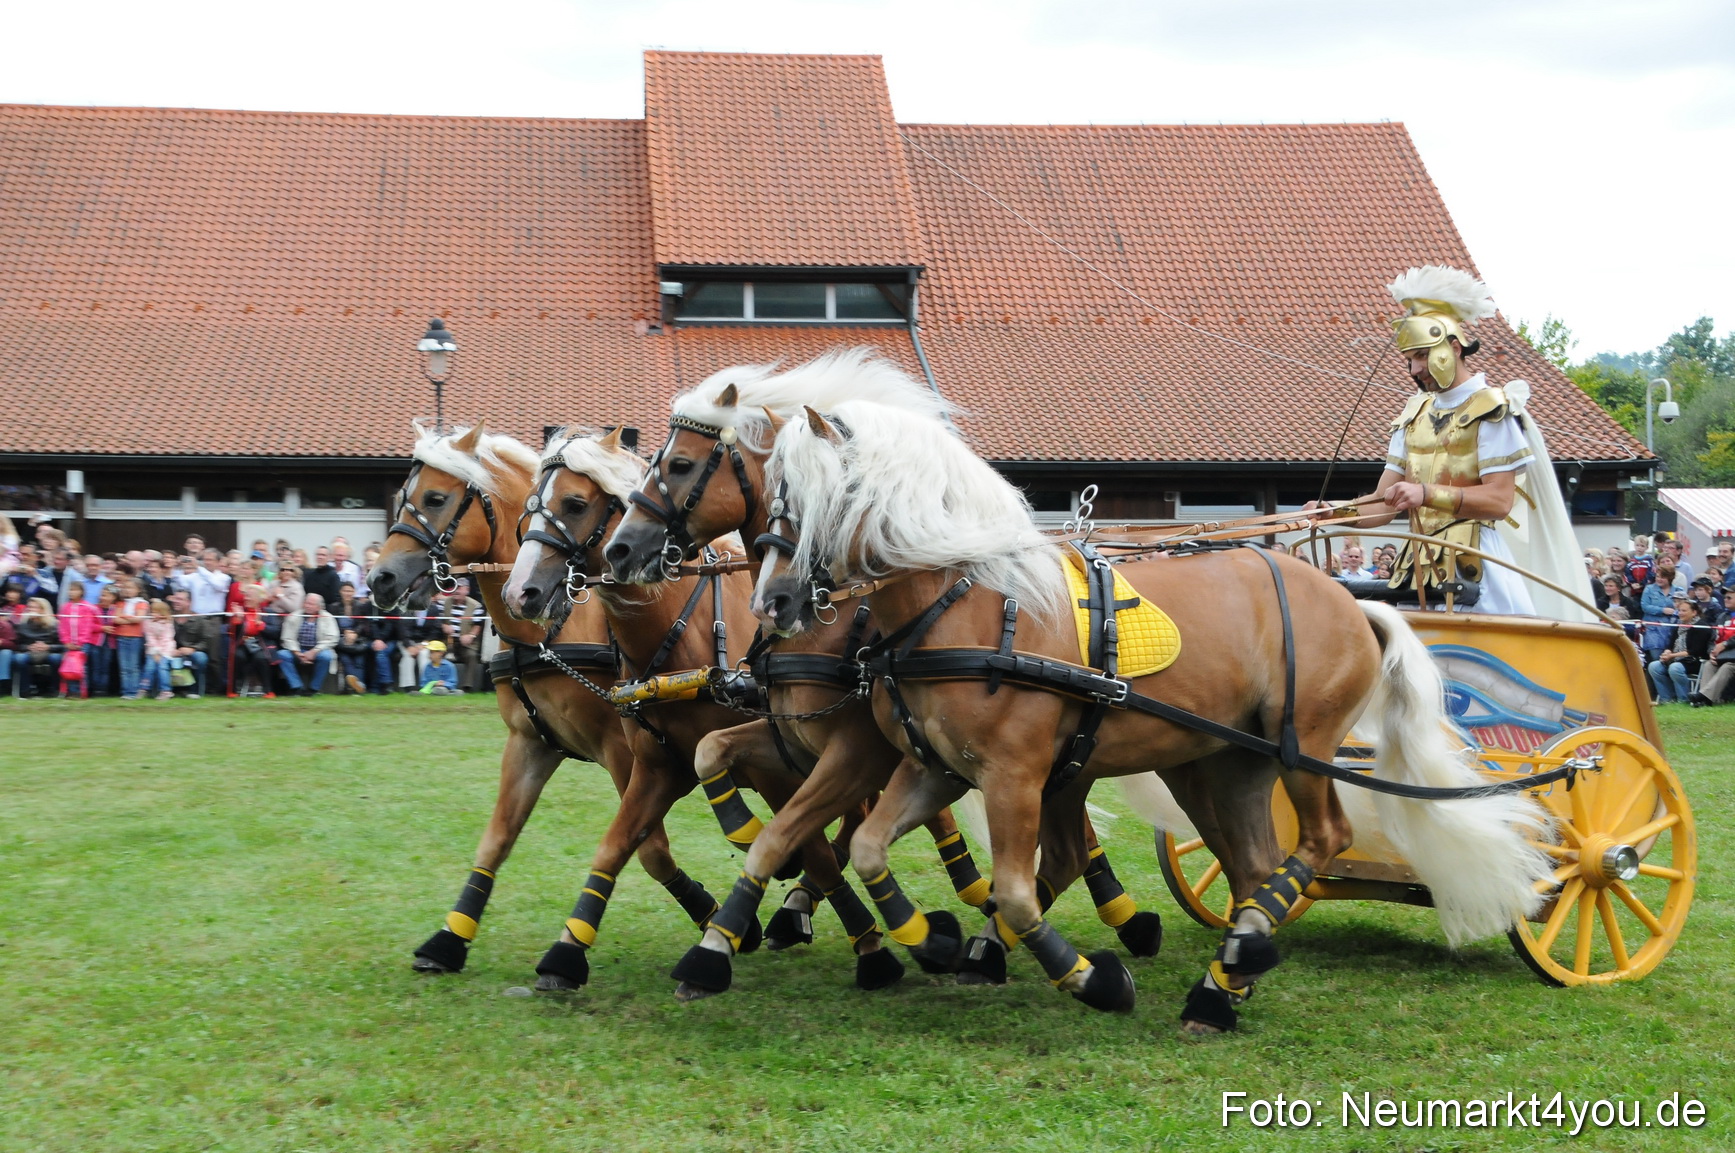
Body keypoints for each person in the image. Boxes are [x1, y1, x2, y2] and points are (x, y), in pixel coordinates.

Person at [1318, 266, 1549, 614]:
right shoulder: (1413, 414)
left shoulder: (1490, 408)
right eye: (1409, 360)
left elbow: (1500, 500)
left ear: (1454, 347)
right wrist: (1331, 514)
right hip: (1418, 564)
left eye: (1422, 356)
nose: (1415, 371)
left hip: (1476, 566)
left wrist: (1424, 493)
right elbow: (1383, 503)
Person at [276, 591, 338, 696]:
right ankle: (296, 687)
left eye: (311, 604)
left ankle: (313, 689)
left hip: (318, 651)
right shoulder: (293, 616)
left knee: (327, 656)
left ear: (319, 607)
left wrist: (314, 652)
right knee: (282, 655)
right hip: (297, 650)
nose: (307, 606)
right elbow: (287, 638)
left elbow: (333, 638)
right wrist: (297, 653)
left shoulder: (328, 618)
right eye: (306, 603)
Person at [1690, 590, 1735, 706]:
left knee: (1727, 667)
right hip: (1722, 656)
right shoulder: (1722, 616)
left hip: (1732, 659)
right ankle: (1705, 701)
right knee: (1709, 664)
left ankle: (1703, 696)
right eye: (1725, 597)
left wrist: (1724, 645)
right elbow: (1713, 638)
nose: (1725, 599)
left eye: (1729, 598)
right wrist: (1712, 652)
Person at [168, 589, 215, 698]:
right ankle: (166, 691)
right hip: (170, 651)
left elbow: (207, 641)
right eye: (175, 598)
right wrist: (169, 649)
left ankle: (195, 691)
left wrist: (192, 649)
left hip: (192, 651)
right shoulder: (168, 617)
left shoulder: (199, 619)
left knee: (200, 658)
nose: (176, 601)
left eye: (180, 599)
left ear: (189, 602)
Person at [15, 597, 63, 697]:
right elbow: (17, 644)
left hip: (49, 652)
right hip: (28, 652)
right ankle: (25, 691)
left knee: (56, 659)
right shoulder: (22, 625)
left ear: (42, 609)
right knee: (19, 659)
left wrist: (48, 647)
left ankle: (55, 690)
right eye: (30, 607)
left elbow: (62, 645)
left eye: (35, 607)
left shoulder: (54, 625)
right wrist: (28, 647)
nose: (31, 610)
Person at [111, 576, 149, 699]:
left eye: (130, 587)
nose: (127, 590)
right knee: (124, 667)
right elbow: (115, 619)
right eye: (126, 587)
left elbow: (138, 619)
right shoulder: (121, 603)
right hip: (121, 637)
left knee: (133, 666)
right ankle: (126, 691)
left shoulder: (141, 603)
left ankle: (134, 691)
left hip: (135, 637)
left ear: (138, 589)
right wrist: (129, 618)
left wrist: (124, 617)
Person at [142, 600, 179, 700]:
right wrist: (155, 652)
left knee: (162, 667)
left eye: (156, 612)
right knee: (149, 667)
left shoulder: (168, 624)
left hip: (166, 650)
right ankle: (144, 689)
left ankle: (166, 691)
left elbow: (167, 639)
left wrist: (161, 654)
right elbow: (150, 638)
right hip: (152, 650)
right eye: (152, 611)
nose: (153, 614)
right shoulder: (147, 623)